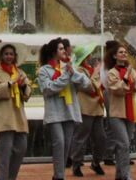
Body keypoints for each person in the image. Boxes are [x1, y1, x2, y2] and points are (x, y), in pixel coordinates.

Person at [39, 39, 92, 180]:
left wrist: (72, 72)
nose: (65, 51)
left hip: (69, 111)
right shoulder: (44, 70)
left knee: (66, 146)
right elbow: (49, 89)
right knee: (59, 144)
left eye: (64, 48)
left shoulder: (69, 68)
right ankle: (59, 176)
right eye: (61, 49)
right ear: (53, 52)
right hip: (54, 112)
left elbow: (87, 83)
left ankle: (58, 175)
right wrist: (67, 75)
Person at [0, 44, 31, 180]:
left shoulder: (20, 72)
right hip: (4, 118)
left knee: (21, 148)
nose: (9, 56)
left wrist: (24, 86)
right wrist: (9, 84)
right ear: (1, 56)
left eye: (11, 54)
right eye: (6, 54)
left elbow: (28, 93)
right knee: (5, 154)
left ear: (15, 56)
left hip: (19, 118)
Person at [69, 48, 107, 177]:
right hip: (85, 107)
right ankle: (76, 164)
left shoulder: (91, 69)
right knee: (81, 138)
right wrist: (96, 73)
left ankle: (96, 162)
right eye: (88, 54)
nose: (91, 56)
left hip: (97, 107)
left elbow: (101, 86)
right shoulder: (78, 70)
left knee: (101, 138)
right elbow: (88, 87)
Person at [105, 45, 136, 180]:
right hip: (117, 113)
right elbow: (118, 90)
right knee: (124, 144)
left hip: (129, 110)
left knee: (123, 145)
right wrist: (126, 75)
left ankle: (120, 175)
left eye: (125, 52)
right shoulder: (112, 73)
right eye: (121, 52)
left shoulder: (130, 71)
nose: (124, 54)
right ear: (115, 56)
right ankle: (126, 175)